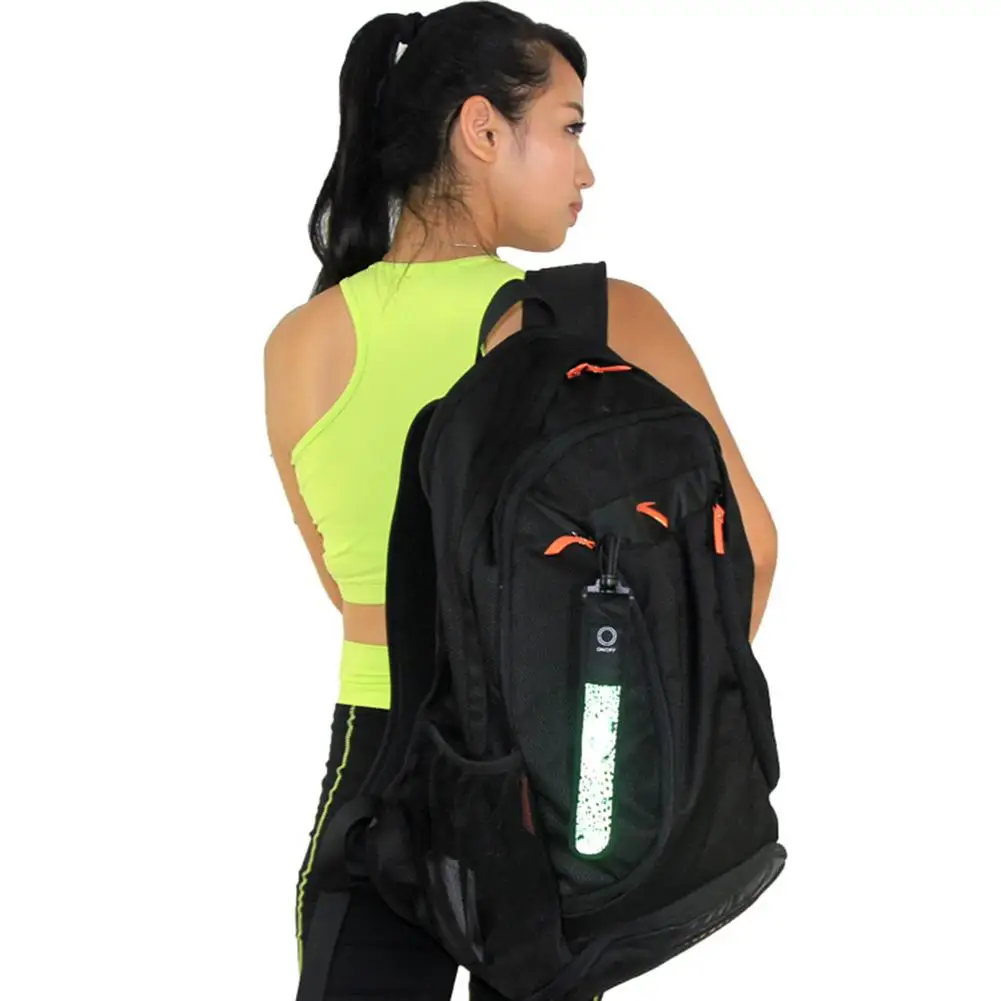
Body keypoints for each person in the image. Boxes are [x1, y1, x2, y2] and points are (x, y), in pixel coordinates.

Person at [264, 3, 779, 999]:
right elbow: (745, 546)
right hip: (562, 769)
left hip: (378, 768)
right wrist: (635, 725)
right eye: (569, 126)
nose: (586, 169)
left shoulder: (303, 341)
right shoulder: (606, 318)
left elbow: (352, 588)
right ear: (482, 129)